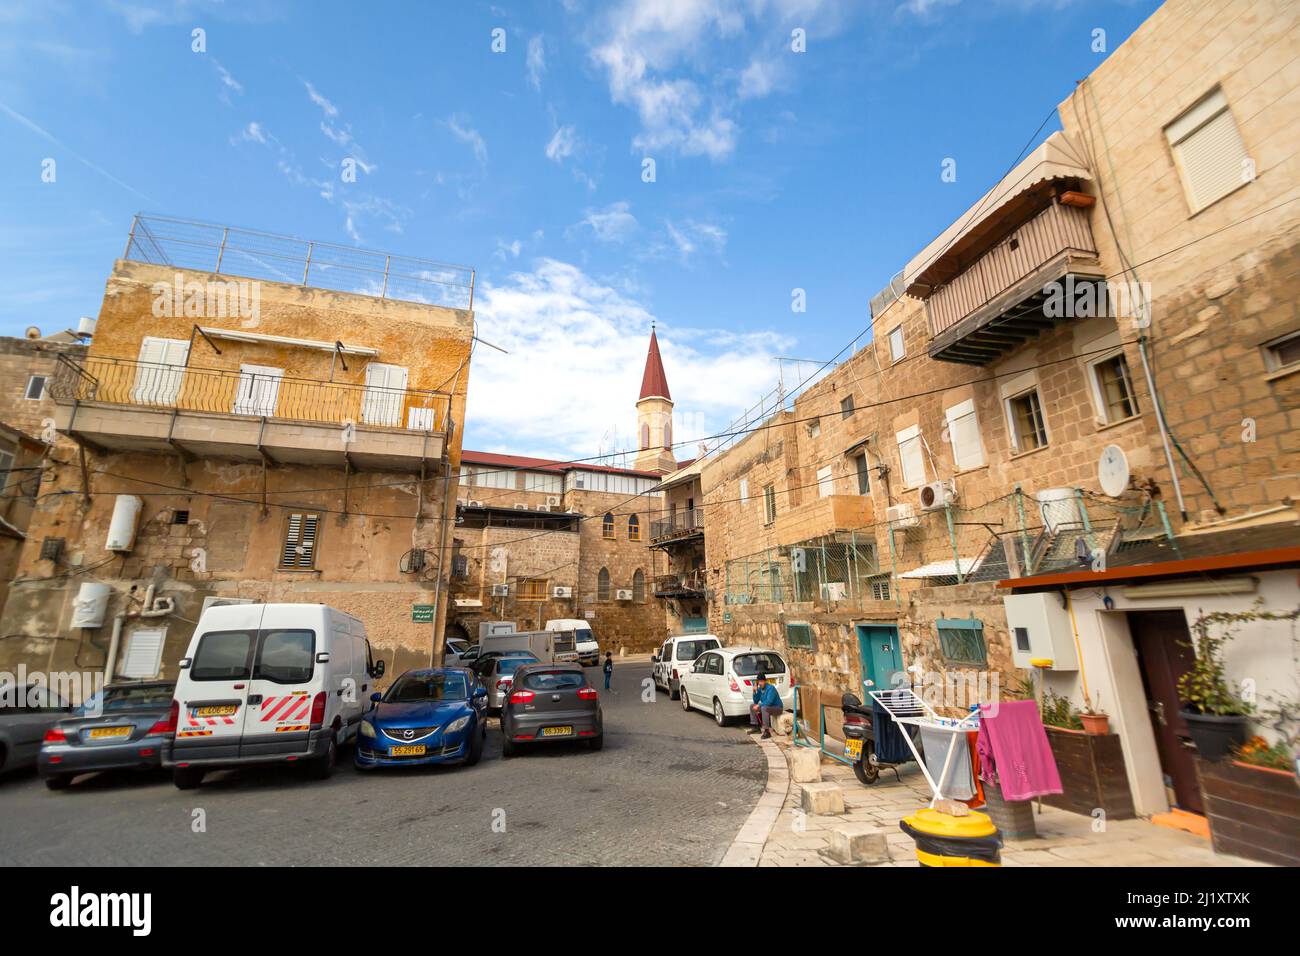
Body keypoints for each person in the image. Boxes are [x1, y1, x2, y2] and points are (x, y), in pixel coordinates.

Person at [749, 672, 783, 739]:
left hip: (777, 708)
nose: (760, 683)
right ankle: (756, 727)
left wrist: (759, 706)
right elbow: (755, 701)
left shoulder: (771, 688)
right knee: (752, 706)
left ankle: (767, 731)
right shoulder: (759, 689)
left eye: (762, 681)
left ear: (765, 681)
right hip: (768, 708)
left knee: (764, 708)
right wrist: (754, 692)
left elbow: (769, 702)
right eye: (759, 682)